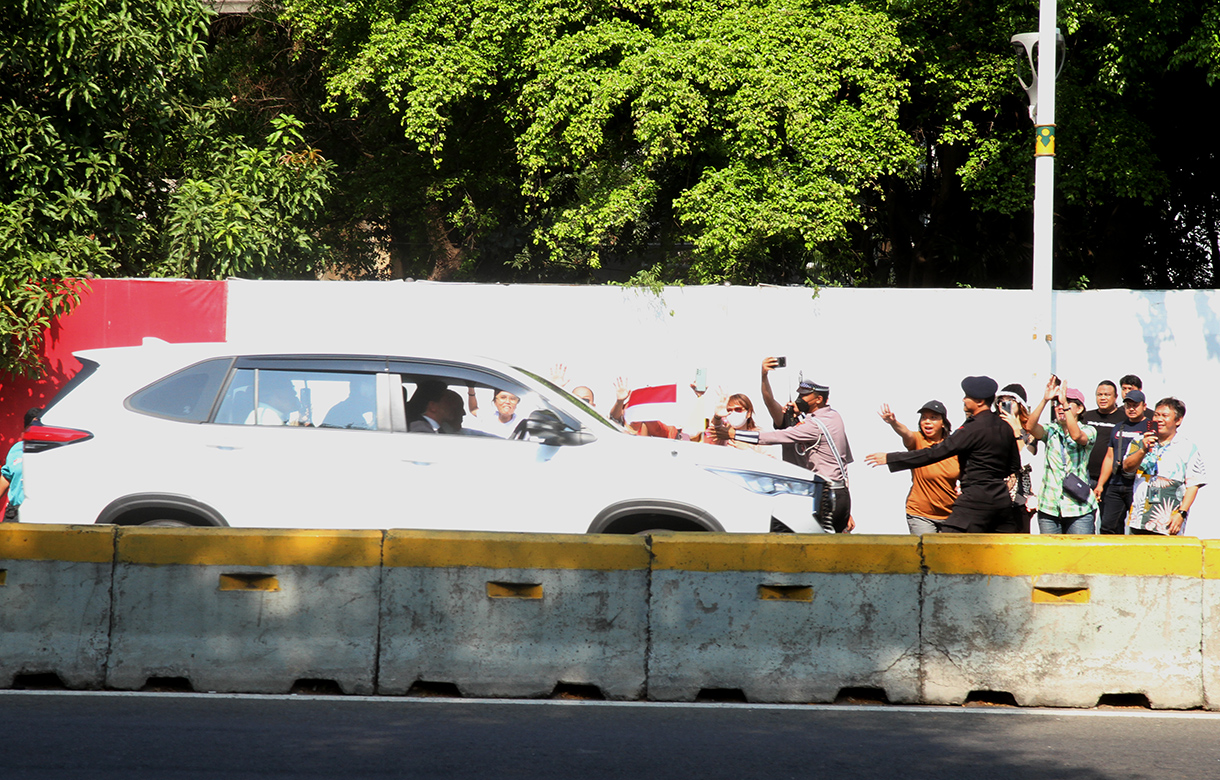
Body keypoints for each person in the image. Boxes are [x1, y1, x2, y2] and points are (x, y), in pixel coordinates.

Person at [865, 376, 1020, 534]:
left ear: (979, 401)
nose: (963, 399)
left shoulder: (972, 429)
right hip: (1002, 501)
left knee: (942, 548)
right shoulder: (1005, 427)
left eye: (967, 396)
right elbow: (1013, 465)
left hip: (975, 500)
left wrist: (891, 458)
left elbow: (935, 452)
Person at [712, 377, 854, 533]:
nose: (799, 400)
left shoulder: (813, 425)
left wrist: (735, 434)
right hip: (841, 493)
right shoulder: (834, 417)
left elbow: (774, 437)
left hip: (826, 495)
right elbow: (843, 462)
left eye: (804, 396)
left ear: (818, 399)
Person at [1121, 397, 1206, 535]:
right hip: (1139, 520)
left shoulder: (1187, 447)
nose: (1159, 419)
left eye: (1165, 416)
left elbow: (1193, 485)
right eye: (1156, 415)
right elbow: (1127, 467)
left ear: (1178, 420)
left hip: (1168, 523)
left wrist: (1181, 513)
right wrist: (1143, 449)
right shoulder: (1139, 441)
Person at [1024, 379, 1098, 534]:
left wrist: (1064, 405)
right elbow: (1029, 427)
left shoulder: (1089, 430)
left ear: (1079, 409)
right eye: (1057, 404)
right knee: (1051, 556)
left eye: (1068, 403)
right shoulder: (1051, 429)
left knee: (1079, 555)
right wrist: (1045, 399)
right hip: (1049, 507)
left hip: (1078, 508)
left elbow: (1077, 436)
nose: (1061, 407)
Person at [877, 400, 958, 534]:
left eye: (933, 418)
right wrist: (893, 422)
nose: (927, 421)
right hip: (920, 513)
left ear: (943, 423)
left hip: (950, 514)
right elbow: (906, 433)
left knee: (947, 553)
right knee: (925, 552)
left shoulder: (954, 445)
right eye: (924, 418)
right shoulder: (918, 440)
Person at [1093, 389, 1150, 534]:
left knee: (1139, 528)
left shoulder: (1151, 427)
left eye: (1135, 405)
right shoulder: (1119, 427)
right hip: (1116, 483)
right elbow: (1109, 457)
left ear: (1144, 406)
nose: (1131, 408)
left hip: (1139, 484)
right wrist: (1100, 484)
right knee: (1108, 527)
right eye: (1128, 405)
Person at [995, 383, 1040, 533]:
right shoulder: (992, 428)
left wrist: (1016, 430)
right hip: (996, 496)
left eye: (1009, 400)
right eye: (1001, 400)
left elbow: (1027, 462)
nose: (1004, 404)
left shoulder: (1030, 431)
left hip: (1021, 498)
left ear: (1020, 404)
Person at [1, 407, 41, 522]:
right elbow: (6, 477)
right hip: (14, 513)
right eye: (33, 425)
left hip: (40, 513)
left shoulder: (53, 449)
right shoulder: (17, 449)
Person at [1079, 381, 1123, 486]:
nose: (1103, 398)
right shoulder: (1086, 417)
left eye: (1107, 395)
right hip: (1086, 475)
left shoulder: (1124, 419)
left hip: (1113, 478)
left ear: (1116, 397)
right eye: (1100, 395)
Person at [703, 392, 770, 456]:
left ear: (749, 413)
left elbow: (771, 462)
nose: (733, 413)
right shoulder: (724, 433)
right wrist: (717, 417)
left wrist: (748, 450)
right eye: (729, 410)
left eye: (738, 409)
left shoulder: (759, 435)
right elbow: (715, 430)